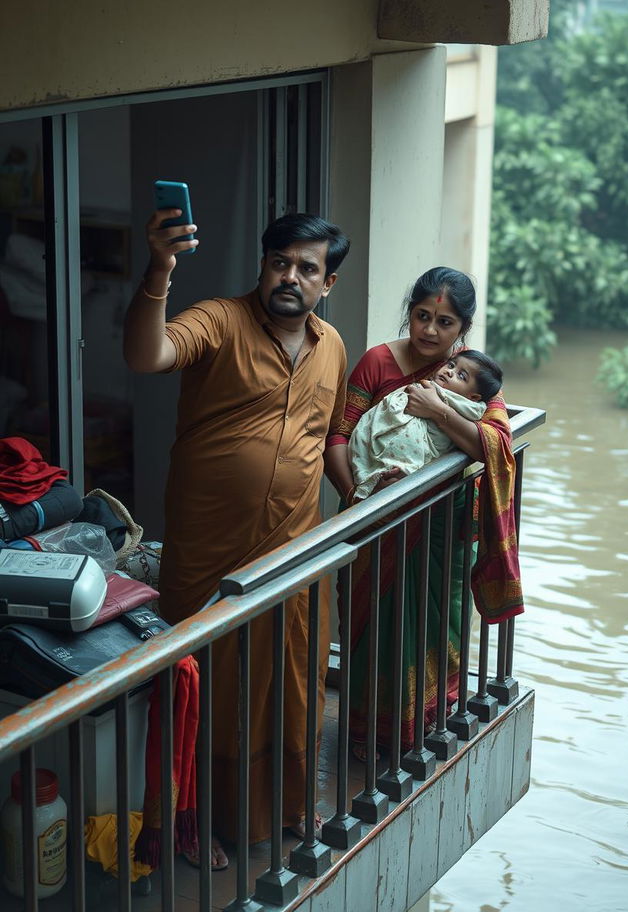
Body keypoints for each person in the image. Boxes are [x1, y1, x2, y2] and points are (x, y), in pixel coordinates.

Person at [123, 208, 350, 856]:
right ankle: (189, 828)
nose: (290, 276)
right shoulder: (221, 320)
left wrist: (360, 486)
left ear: (326, 283)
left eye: (307, 268)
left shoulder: (331, 347)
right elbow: (147, 353)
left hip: (296, 552)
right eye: (280, 261)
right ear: (262, 263)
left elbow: (328, 432)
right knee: (204, 690)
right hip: (210, 552)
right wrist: (161, 269)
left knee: (292, 684)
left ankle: (290, 806)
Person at [324, 267, 522, 759]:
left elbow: (492, 445)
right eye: (422, 316)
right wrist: (362, 500)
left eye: (445, 322)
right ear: (409, 313)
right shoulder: (377, 362)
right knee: (375, 631)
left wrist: (438, 410)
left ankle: (432, 725)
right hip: (375, 521)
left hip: (441, 531)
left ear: (463, 331)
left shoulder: (469, 374)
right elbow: (338, 437)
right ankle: (368, 741)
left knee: (438, 627)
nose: (430, 331)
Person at [348, 350, 503, 501]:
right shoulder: (378, 359)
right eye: (450, 365)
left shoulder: (477, 374)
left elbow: (493, 447)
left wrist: (435, 408)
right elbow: (340, 430)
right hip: (371, 486)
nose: (450, 372)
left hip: (441, 498)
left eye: (461, 376)